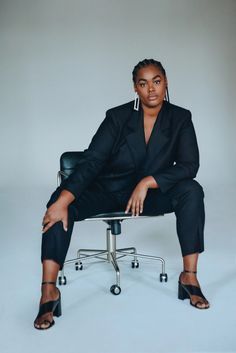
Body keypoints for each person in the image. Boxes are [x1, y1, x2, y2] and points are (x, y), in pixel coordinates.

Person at [34, 58, 210, 330]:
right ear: (135, 89)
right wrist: (64, 200)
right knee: (59, 203)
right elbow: (92, 161)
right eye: (143, 83)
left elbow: (190, 166)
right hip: (108, 190)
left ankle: (189, 277)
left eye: (157, 81)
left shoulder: (180, 118)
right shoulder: (117, 117)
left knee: (192, 191)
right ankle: (49, 291)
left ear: (166, 83)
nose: (151, 89)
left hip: (147, 197)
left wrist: (149, 182)